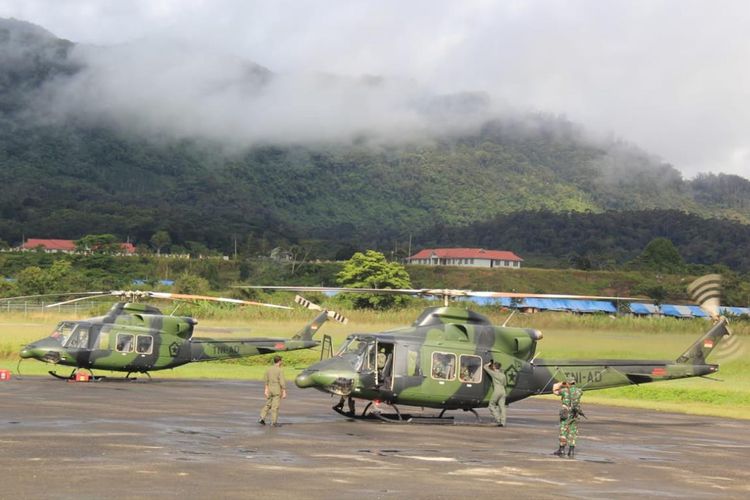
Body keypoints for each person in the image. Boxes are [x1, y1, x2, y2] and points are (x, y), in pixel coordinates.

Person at [552, 376, 583, 458]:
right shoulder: (579, 391)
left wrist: (561, 384)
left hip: (565, 413)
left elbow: (554, 390)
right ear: (574, 382)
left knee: (563, 430)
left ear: (568, 383)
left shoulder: (564, 391)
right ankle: (571, 450)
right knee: (573, 431)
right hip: (575, 413)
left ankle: (561, 450)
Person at [259, 355, 286, 427]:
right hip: (276, 389)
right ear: (279, 361)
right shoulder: (280, 370)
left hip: (269, 389)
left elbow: (266, 380)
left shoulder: (268, 369)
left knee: (268, 404)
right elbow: (282, 381)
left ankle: (262, 417)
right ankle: (273, 421)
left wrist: (266, 389)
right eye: (281, 361)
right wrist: (284, 391)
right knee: (275, 406)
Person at [483, 360, 507, 426]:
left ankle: (498, 419)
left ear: (494, 367)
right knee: (502, 407)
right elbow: (505, 384)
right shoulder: (503, 375)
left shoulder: (493, 373)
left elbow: (485, 367)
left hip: (497, 390)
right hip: (503, 391)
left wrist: (489, 363)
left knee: (491, 405)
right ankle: (503, 422)